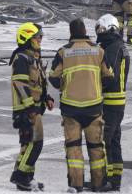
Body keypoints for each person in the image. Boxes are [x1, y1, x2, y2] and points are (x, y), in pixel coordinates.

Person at [49, 19, 114, 192]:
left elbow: (53, 78)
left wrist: (66, 86)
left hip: (70, 109)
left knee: (73, 148)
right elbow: (109, 77)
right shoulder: (98, 50)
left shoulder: (63, 52)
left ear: (71, 32)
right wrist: (96, 87)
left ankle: (76, 185)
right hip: (93, 108)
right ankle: (99, 184)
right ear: (85, 31)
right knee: (96, 147)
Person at [9, 23, 54, 191]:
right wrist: (29, 108)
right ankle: (21, 176)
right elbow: (20, 85)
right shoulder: (22, 58)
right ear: (27, 38)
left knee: (28, 144)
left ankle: (26, 178)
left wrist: (46, 97)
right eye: (37, 37)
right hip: (27, 110)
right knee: (35, 143)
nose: (40, 39)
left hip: (34, 108)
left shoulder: (33, 57)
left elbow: (38, 83)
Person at [95, 15, 130, 191]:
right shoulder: (118, 46)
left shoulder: (114, 48)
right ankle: (116, 179)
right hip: (117, 102)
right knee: (114, 140)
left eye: (101, 30)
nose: (99, 34)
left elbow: (109, 76)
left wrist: (94, 86)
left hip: (111, 101)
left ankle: (106, 179)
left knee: (105, 141)